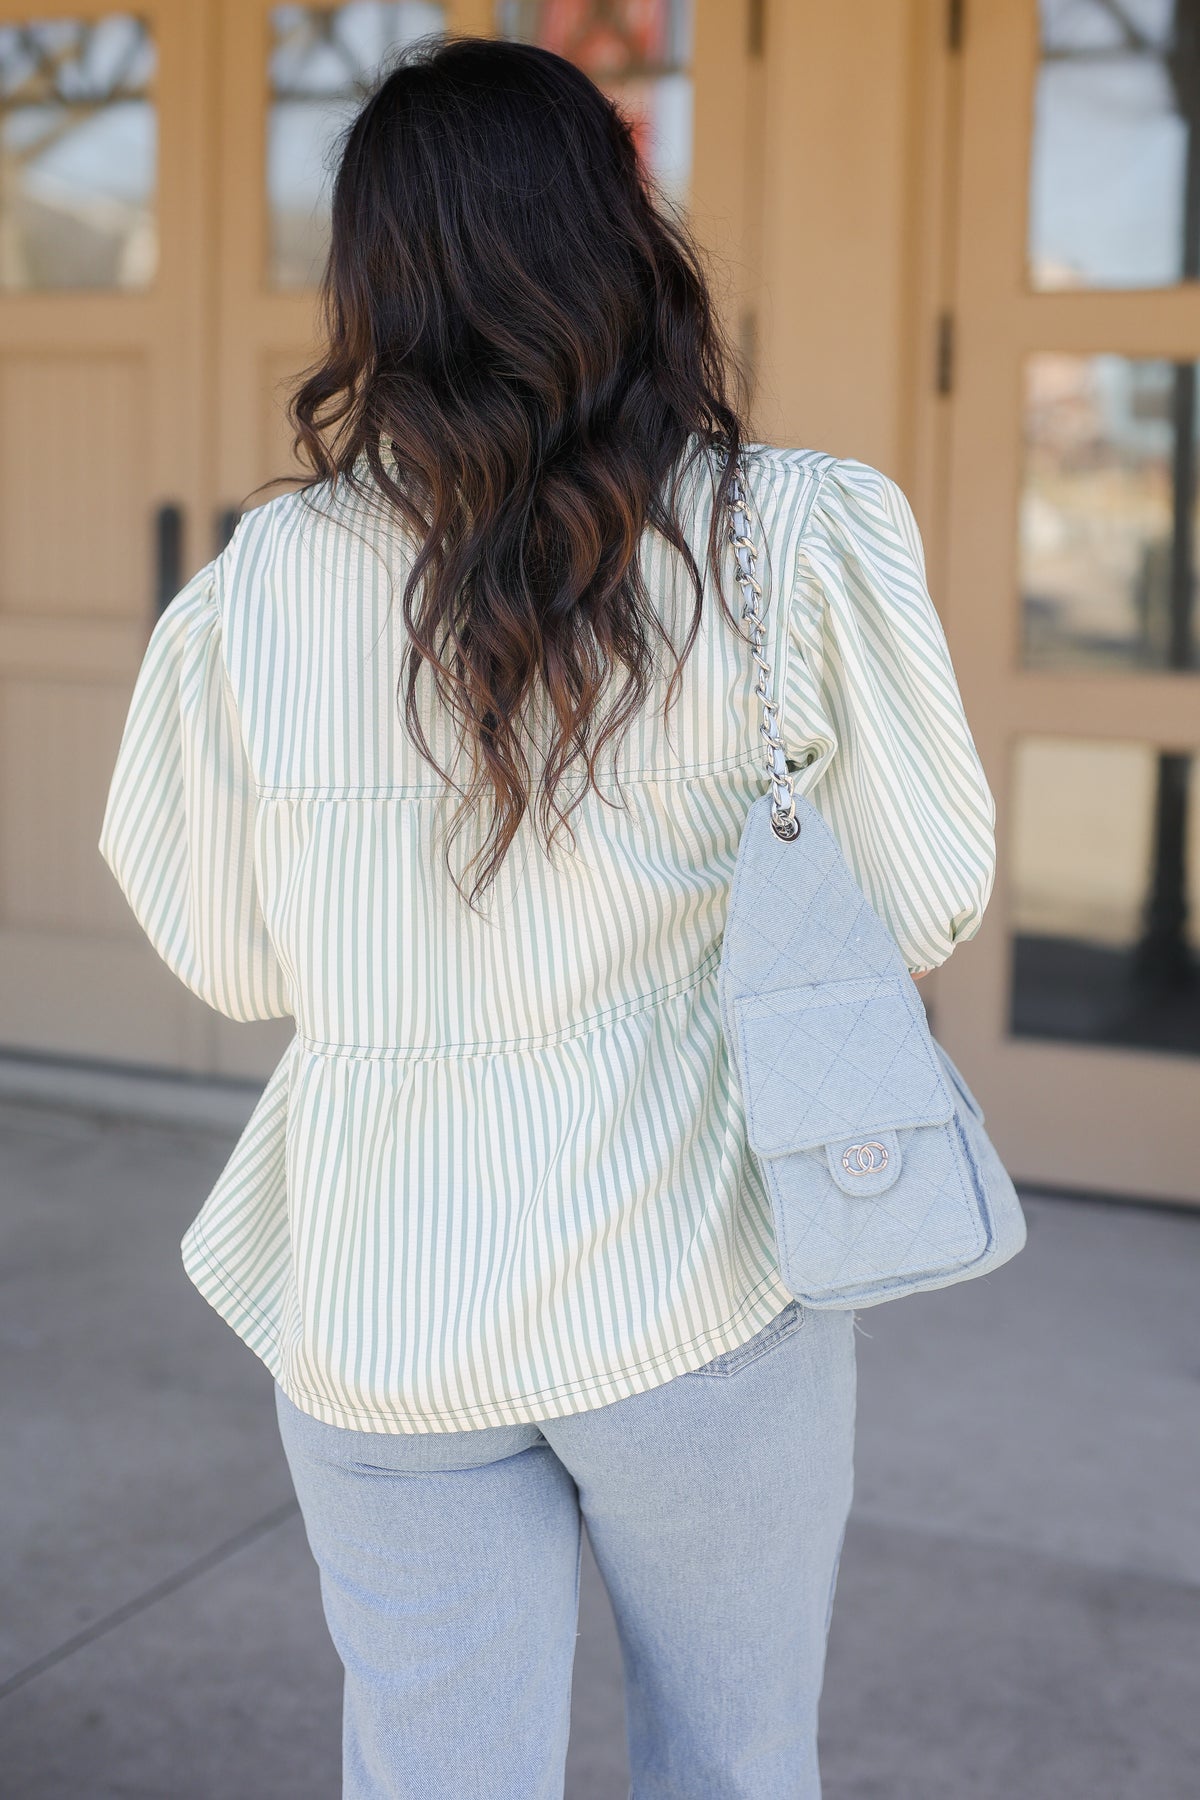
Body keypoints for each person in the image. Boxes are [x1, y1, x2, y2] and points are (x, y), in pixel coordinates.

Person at [97, 35, 996, 1800]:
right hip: (702, 1283)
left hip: (378, 1301)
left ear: (371, 281)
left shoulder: (260, 586)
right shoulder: (787, 538)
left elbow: (226, 957)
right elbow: (934, 895)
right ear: (622, 234)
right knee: (733, 1766)